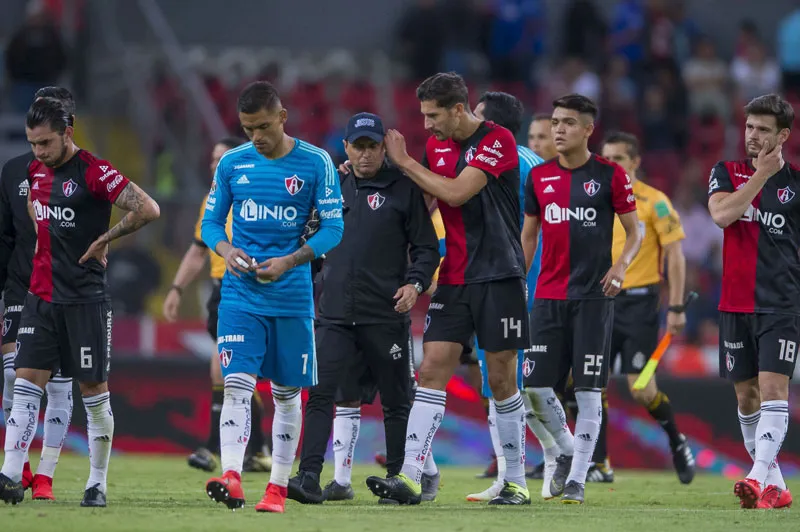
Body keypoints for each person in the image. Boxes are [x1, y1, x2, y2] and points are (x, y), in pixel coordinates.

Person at [365, 72, 530, 506]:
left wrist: (405, 163)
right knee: (433, 366)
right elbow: (426, 199)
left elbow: (456, 192)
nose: (427, 125)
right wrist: (372, 176)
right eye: (422, 115)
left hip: (500, 274)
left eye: (433, 115)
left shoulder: (498, 140)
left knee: (499, 377)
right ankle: (411, 476)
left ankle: (516, 481)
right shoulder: (435, 146)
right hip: (454, 275)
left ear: (459, 109)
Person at [0, 97, 161, 507]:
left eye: (46, 143)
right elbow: (40, 219)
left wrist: (106, 238)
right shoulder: (35, 171)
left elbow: (148, 208)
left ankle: (96, 482)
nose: (38, 152)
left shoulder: (94, 171)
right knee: (24, 385)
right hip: (41, 297)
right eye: (33, 143)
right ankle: (9, 475)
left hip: (86, 301)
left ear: (67, 133)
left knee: (93, 393)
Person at [201, 81, 344, 514]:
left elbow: (333, 231)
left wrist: (290, 260)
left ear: (282, 117)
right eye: (248, 129)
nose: (256, 137)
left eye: (263, 126)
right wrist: (227, 250)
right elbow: (210, 224)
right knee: (237, 385)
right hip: (240, 295)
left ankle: (277, 489)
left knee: (286, 394)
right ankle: (231, 475)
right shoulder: (231, 163)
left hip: (292, 297)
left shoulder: (317, 162)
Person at [287, 112, 439, 504]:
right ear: (347, 148)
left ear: (384, 148)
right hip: (335, 313)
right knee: (319, 393)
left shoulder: (403, 189)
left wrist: (415, 283)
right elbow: (310, 241)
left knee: (396, 398)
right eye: (359, 146)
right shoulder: (331, 186)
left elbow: (426, 247)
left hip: (385, 312)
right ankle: (308, 477)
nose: (366, 154)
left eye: (373, 146)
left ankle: (399, 480)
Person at [521, 94, 641, 505]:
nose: (558, 129)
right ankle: (569, 450)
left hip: (592, 298)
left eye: (568, 123)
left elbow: (635, 230)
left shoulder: (610, 175)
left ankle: (577, 479)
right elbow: (529, 234)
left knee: (588, 391)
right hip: (548, 297)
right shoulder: (538, 178)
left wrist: (621, 265)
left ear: (588, 129)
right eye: (555, 121)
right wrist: (519, 281)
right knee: (534, 387)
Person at [464, 91, 557, 502]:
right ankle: (515, 472)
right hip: (520, 280)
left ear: (492, 125)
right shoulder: (533, 164)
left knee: (509, 382)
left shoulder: (509, 163)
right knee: (505, 381)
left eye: (476, 116)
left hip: (516, 282)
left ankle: (558, 455)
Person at [707, 93, 796, 510]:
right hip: (734, 304)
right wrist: (760, 176)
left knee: (773, 388)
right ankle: (776, 486)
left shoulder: (797, 187)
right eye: (749, 128)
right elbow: (723, 216)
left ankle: (756, 477)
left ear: (783, 135)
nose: (753, 136)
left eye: (763, 130)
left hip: (780, 305)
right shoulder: (726, 172)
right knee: (746, 398)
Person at [162, 137, 271, 474]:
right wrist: (177, 288)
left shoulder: (257, 193)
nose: (214, 165)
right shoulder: (212, 201)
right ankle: (252, 449)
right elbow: (198, 249)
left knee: (227, 368)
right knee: (230, 371)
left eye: (221, 158)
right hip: (220, 290)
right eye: (212, 159)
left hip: (251, 287)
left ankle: (218, 448)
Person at [597, 131, 695, 484]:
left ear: (635, 162)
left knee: (641, 388)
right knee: (591, 384)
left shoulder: (656, 202)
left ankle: (676, 440)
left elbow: (675, 254)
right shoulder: (597, 199)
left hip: (639, 305)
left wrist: (678, 306)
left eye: (619, 158)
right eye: (606, 158)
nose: (612, 165)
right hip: (601, 301)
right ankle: (599, 464)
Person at [0, 87, 77, 502]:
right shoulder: (13, 171)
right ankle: (17, 468)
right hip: (21, 286)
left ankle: (45, 475)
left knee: (60, 386)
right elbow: (5, 235)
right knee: (15, 375)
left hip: (65, 291)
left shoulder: (85, 173)